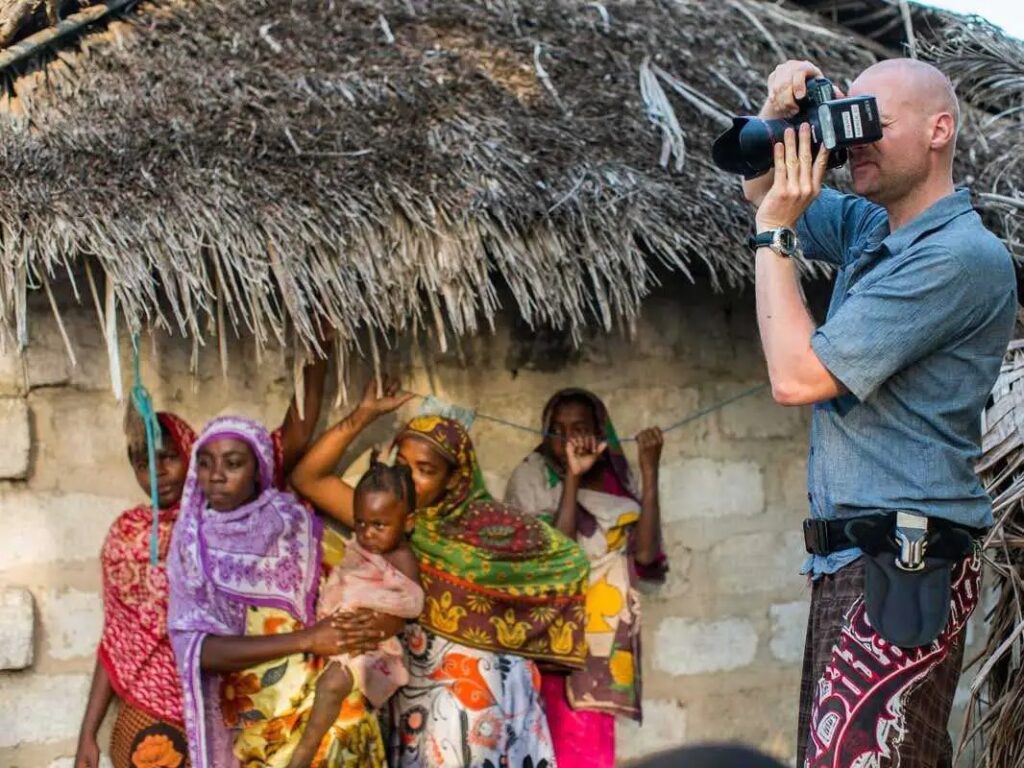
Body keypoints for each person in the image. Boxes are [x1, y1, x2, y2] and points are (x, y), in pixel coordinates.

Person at [742, 58, 1016, 766]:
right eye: (848, 120)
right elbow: (762, 188)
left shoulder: (961, 257)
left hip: (905, 562)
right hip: (856, 560)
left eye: (875, 124)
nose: (855, 141)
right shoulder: (874, 232)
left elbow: (798, 378)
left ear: (939, 130)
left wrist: (774, 239)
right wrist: (780, 117)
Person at [290, 379, 591, 768]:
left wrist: (510, 632)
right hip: (416, 697)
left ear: (455, 477)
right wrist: (365, 415)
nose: (410, 479)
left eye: (425, 470)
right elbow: (307, 478)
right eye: (402, 467)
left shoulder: (492, 527)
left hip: (487, 702)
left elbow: (566, 561)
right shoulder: (388, 521)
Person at [74, 355, 330, 768]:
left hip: (230, 707)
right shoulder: (127, 536)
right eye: (144, 464)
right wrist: (88, 732)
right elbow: (115, 641)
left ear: (191, 456)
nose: (159, 473)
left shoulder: (228, 513)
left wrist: (317, 357)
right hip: (151, 710)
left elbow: (293, 436)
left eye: (170, 457)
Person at [167, 416, 393, 768]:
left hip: (322, 705)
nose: (216, 475)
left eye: (233, 463)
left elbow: (352, 591)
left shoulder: (295, 525)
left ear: (258, 468)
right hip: (257, 719)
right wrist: (306, 640)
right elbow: (197, 650)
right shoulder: (191, 545)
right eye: (205, 462)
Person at [505, 388, 667, 768]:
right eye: (558, 429)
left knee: (590, 752)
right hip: (549, 645)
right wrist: (573, 479)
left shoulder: (617, 480)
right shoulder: (530, 479)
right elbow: (555, 554)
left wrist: (649, 468)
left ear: (599, 432)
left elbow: (645, 554)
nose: (569, 438)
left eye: (579, 427)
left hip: (600, 648)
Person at [286, 459, 424, 768]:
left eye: (379, 525)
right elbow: (343, 577)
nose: (367, 533)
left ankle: (304, 752)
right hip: (339, 631)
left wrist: (370, 608)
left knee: (331, 684)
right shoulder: (362, 547)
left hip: (371, 643)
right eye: (360, 522)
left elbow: (413, 602)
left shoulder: (400, 557)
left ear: (409, 522)